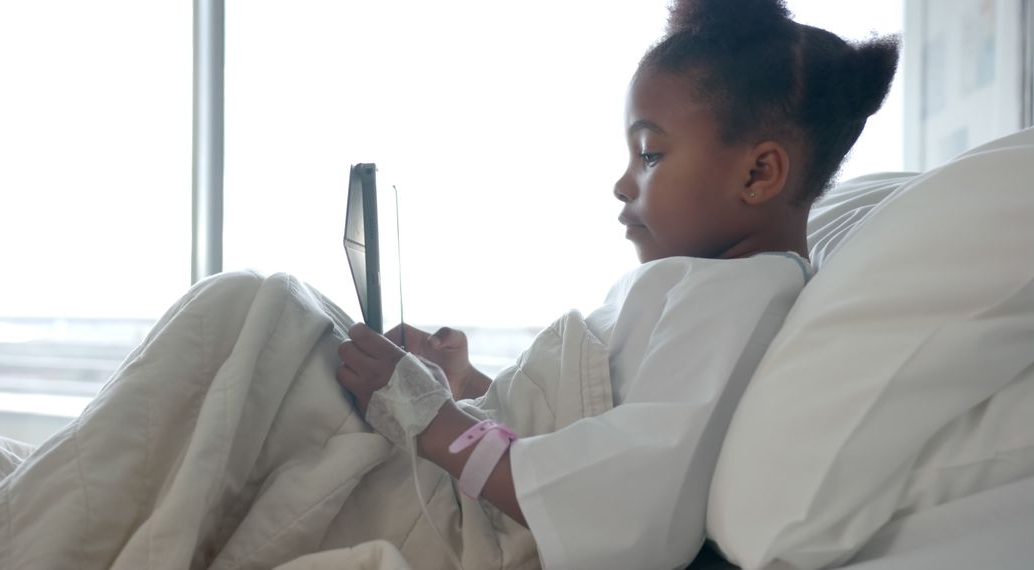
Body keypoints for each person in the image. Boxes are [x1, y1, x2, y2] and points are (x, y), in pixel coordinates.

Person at [335, 0, 899, 568]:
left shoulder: (741, 295)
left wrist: (431, 418)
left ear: (758, 174)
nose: (622, 183)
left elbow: (624, 496)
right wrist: (464, 383)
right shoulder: (710, 284)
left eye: (650, 154)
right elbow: (582, 424)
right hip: (468, 486)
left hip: (472, 524)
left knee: (276, 316)